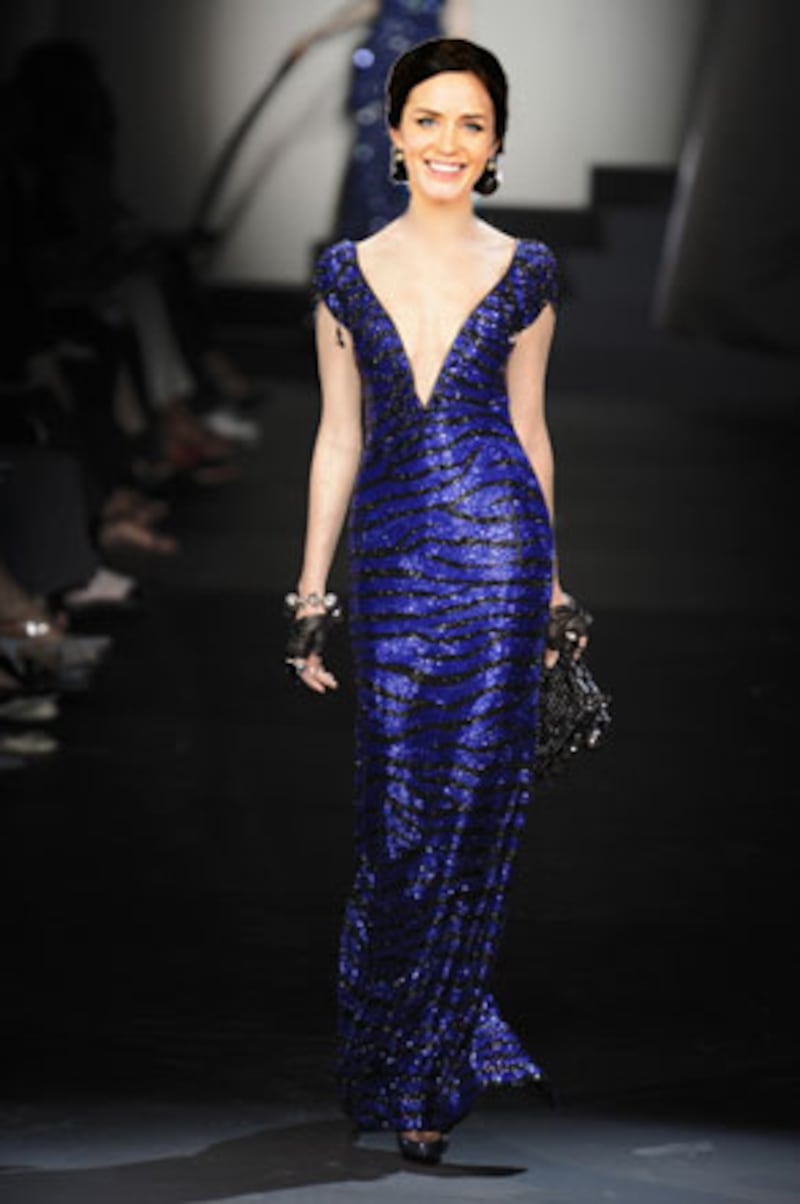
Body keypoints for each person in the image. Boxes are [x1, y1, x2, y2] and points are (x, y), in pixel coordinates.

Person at [287, 37, 586, 1165]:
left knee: (467, 817)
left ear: (496, 143)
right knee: (397, 814)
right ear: (395, 131)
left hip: (499, 558)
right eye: (429, 119)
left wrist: (550, 585)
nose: (448, 142)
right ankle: (409, 1047)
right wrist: (310, 592)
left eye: (471, 123)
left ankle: (425, 1074)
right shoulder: (344, 271)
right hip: (392, 563)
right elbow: (338, 436)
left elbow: (530, 431)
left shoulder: (528, 270)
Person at [290, 1, 470, 238]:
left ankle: (407, 240)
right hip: (378, 64)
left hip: (419, 67)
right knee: (370, 155)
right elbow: (370, 5)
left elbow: (459, 28)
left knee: (412, 152)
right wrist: (317, 34)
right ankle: (365, 239)